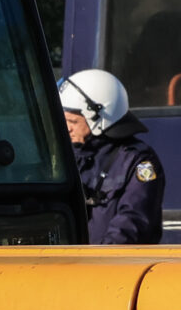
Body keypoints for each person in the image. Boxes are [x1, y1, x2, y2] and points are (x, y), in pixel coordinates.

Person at [61, 69, 164, 244]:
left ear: (99, 119)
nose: (67, 128)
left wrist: (102, 262)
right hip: (68, 266)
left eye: (73, 122)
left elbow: (133, 221)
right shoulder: (64, 157)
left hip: (114, 267)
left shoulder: (138, 161)